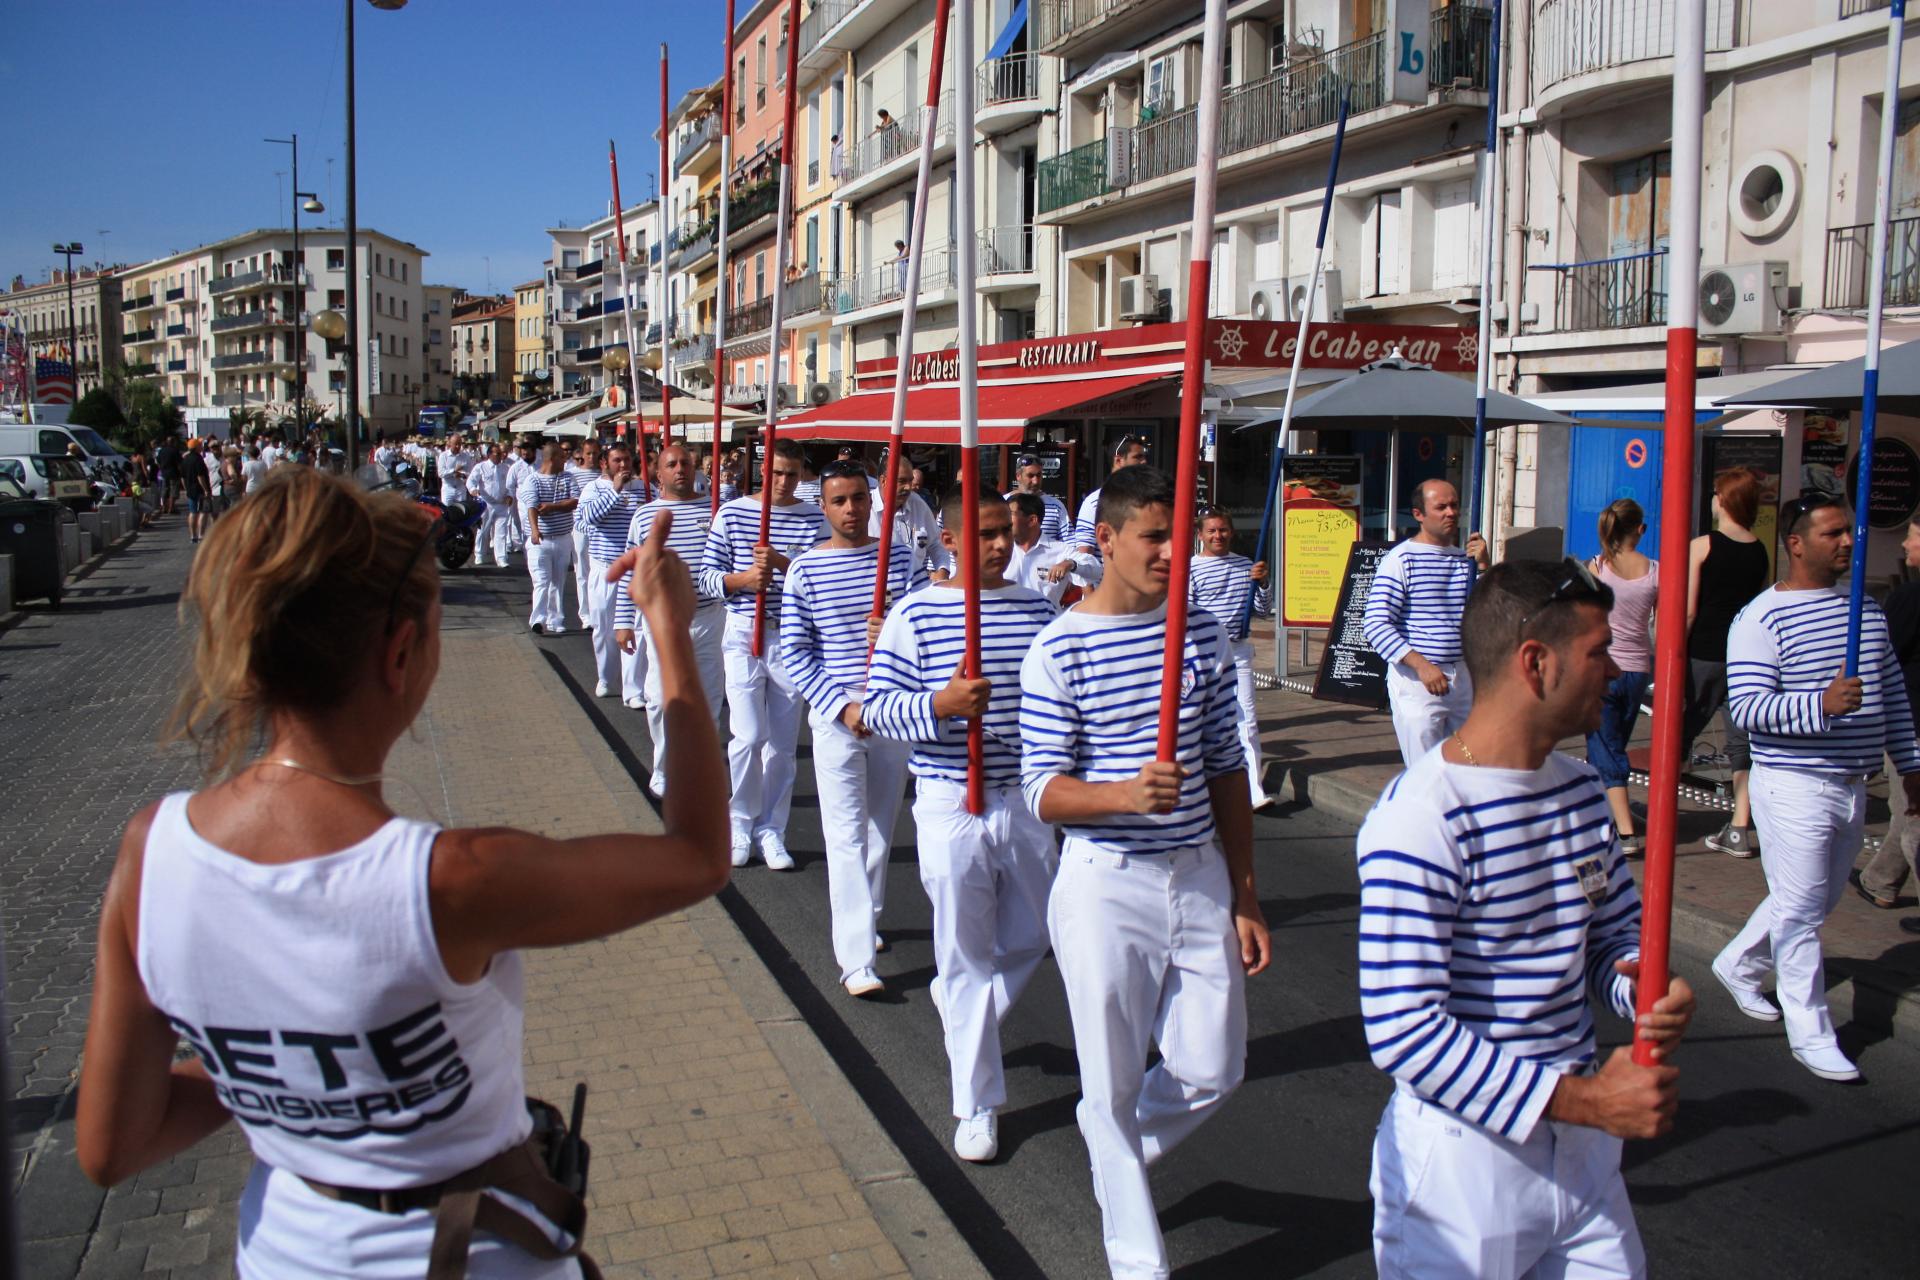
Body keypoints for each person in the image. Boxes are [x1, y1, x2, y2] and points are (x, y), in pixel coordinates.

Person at [73, 465, 729, 1278]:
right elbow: (697, 858)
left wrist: (277, 1061)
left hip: (284, 1249)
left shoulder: (153, 850)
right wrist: (669, 631)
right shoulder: (452, 879)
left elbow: (111, 1145)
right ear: (400, 653)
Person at [1357, 558, 1696, 1279]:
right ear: (1536, 663)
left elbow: (1610, 938)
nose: (1614, 670)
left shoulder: (1580, 792)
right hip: (1465, 1166)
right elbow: (1401, 1029)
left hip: (1583, 1162)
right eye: (1599, 652)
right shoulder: (1421, 819)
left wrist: (1646, 987)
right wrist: (1588, 1102)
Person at [1018, 464, 1270, 1280]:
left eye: (1179, 536)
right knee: (1112, 1078)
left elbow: (1228, 764)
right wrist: (1124, 793)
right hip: (1106, 881)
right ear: (1107, 540)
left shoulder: (1196, 630)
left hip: (1197, 872)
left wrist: (1245, 892)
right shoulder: (1059, 646)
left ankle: (1112, 1156)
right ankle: (1135, 1255)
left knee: (1213, 1066)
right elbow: (1042, 792)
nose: (1173, 553)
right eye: (1155, 538)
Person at [866, 488, 1058, 1162]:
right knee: (967, 952)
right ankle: (976, 1103)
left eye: (1004, 531)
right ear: (949, 539)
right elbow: (878, 710)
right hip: (952, 795)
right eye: (983, 533)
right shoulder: (914, 614)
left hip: (1027, 797)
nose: (1000, 544)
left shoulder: (1039, 610)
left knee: (1038, 931)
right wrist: (941, 703)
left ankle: (962, 1009)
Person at [1714, 494, 1920, 1082]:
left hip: (1857, 783)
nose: (1849, 542)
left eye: (1849, 531)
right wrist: (1821, 705)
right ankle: (1809, 1028)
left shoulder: (1869, 611)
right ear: (1796, 543)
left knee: (1814, 901)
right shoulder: (1760, 618)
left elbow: (1893, 699)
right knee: (1803, 912)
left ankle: (1736, 963)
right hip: (1795, 782)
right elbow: (1749, 709)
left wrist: (1911, 764)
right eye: (1833, 533)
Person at [780, 461, 925, 997]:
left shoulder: (900, 558)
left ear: (871, 501)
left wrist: (895, 629)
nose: (850, 509)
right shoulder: (804, 570)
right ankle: (855, 959)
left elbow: (923, 633)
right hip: (838, 716)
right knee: (843, 833)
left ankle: (870, 917)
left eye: (858, 499)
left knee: (881, 830)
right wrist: (841, 707)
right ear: (824, 506)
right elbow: (795, 652)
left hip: (890, 712)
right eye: (839, 500)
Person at [699, 439, 828, 870]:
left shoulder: (813, 517)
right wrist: (742, 580)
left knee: (782, 746)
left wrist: (782, 564)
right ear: (762, 469)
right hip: (742, 632)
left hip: (790, 637)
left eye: (791, 474)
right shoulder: (733, 513)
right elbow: (708, 578)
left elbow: (822, 580)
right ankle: (739, 822)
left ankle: (772, 829)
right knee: (749, 736)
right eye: (776, 473)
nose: (783, 482)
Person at [614, 444, 726, 799]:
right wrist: (623, 621)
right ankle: (664, 767)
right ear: (659, 473)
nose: (680, 469)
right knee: (661, 700)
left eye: (686, 463)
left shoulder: (714, 512)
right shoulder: (645, 517)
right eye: (672, 464)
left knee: (708, 702)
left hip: (709, 618)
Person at [1363, 478, 1489, 767]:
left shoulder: (1464, 559)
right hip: (1418, 682)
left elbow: (1485, 613)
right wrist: (1422, 665)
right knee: (1425, 771)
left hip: (1463, 677)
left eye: (1454, 505)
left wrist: (1483, 567)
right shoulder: (1401, 559)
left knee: (1471, 767)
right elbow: (1376, 623)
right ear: (1419, 514)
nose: (1451, 513)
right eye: (1441, 507)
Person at [1685, 467, 1772, 857]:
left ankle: (1662, 815)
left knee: (1679, 733)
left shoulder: (1702, 546)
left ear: (1724, 500)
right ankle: (1740, 825)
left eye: (1716, 492)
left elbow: (1688, 610)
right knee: (1742, 745)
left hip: (1702, 653)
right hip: (1741, 656)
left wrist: (1672, 655)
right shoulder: (1759, 550)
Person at [1855, 513, 1920, 919]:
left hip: (1911, 722)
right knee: (1908, 808)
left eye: (1911, 538)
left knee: (1912, 814)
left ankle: (1880, 881)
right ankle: (1880, 881)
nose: (1903, 545)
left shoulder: (1909, 598)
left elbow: (1884, 654)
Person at [1585, 498, 1659, 856]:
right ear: (1640, 530)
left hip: (1603, 667)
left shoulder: (1598, 567)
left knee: (1606, 746)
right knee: (1611, 744)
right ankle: (1607, 814)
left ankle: (1625, 831)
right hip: (1637, 670)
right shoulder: (1656, 572)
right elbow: (1660, 625)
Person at [1188, 507, 1274, 809]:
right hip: (1202, 653)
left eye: (1222, 530)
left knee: (1246, 721)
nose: (1218, 535)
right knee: (1197, 720)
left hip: (1238, 652)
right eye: (1211, 530)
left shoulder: (1246, 565)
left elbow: (1262, 611)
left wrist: (1262, 584)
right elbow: (1187, 615)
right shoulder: (1191, 569)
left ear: (1231, 532)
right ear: (1200, 536)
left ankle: (1254, 790)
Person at [578, 444, 652, 706]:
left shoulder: (644, 489)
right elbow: (589, 518)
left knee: (636, 628)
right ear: (604, 464)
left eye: (627, 460)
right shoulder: (593, 489)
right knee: (604, 627)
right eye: (617, 461)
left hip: (635, 569)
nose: (623, 465)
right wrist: (615, 490)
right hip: (605, 567)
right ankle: (607, 677)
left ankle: (633, 689)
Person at [1062, 436, 1150, 590]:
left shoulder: (1145, 501)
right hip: (1105, 594)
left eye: (1144, 457)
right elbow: (1084, 555)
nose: (1144, 462)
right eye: (1137, 457)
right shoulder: (1095, 502)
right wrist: (1090, 600)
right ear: (1118, 460)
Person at [521, 443, 581, 636]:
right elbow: (531, 506)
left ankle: (556, 619)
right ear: (553, 458)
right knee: (542, 580)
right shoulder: (533, 480)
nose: (566, 461)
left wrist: (553, 507)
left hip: (563, 537)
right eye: (563, 457)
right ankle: (538, 619)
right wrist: (535, 530)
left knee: (558, 580)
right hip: (542, 540)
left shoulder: (567, 477)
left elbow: (574, 501)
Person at [1006, 492, 1086, 606]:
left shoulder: (1060, 551)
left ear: (1032, 520)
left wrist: (1070, 563)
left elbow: (1095, 569)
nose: (1004, 520)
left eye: (1010, 514)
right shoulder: (1000, 550)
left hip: (1046, 622)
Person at [565, 441, 604, 626]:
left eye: (595, 453)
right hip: (580, 528)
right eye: (589, 454)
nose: (592, 457)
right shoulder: (573, 474)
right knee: (582, 570)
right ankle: (585, 614)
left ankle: (597, 610)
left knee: (599, 570)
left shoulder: (603, 474)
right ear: (582, 454)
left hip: (600, 528)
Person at [1007, 455, 1071, 543]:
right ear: (1018, 476)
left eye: (1039, 475)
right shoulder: (1003, 503)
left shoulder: (1056, 506)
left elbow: (1070, 542)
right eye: (1030, 475)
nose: (1035, 481)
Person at [180, 439, 212, 544]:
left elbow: (183, 477)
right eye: (200, 445)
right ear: (196, 447)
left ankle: (193, 535)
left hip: (190, 489)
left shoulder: (185, 460)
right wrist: (206, 489)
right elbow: (200, 476)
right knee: (203, 511)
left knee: (193, 512)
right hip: (199, 489)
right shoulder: (198, 459)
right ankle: (201, 535)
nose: (202, 446)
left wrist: (186, 488)